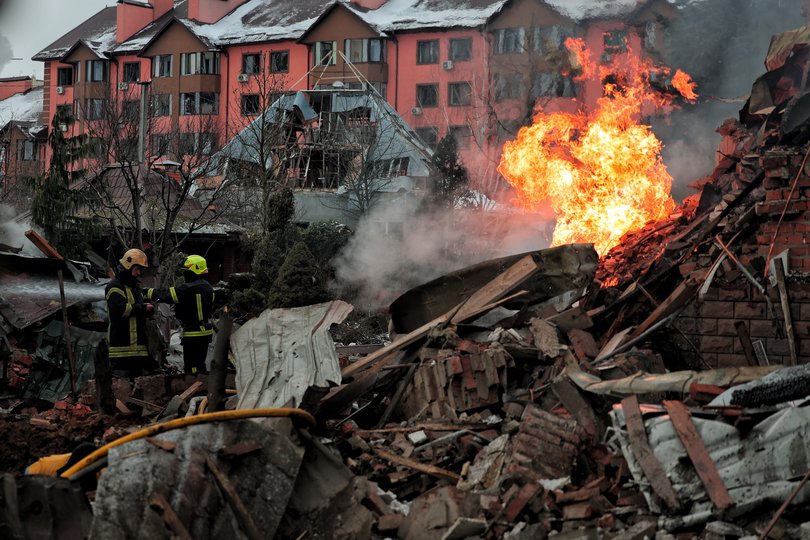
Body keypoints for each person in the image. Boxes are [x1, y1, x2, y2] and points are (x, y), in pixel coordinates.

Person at [146, 255, 215, 374]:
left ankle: (193, 385)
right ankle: (202, 383)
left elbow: (165, 295)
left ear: (194, 270)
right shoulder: (209, 288)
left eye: (186, 271)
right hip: (206, 331)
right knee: (200, 363)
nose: (185, 274)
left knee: (191, 366)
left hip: (193, 332)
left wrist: (145, 292)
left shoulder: (187, 289)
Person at [105, 248, 154, 377]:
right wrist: (143, 309)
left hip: (138, 350)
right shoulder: (114, 287)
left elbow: (136, 308)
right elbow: (119, 310)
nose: (138, 273)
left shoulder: (134, 288)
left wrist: (147, 310)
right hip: (121, 350)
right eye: (136, 269)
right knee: (121, 388)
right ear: (128, 266)